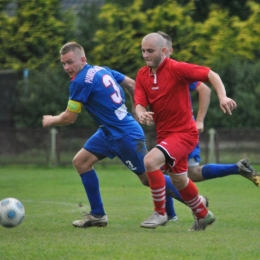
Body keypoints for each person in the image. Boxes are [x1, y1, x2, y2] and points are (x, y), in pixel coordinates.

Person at [42, 41, 203, 228]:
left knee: (148, 178)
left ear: (83, 59)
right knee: (81, 162)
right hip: (109, 131)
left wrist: (51, 120)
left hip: (124, 135)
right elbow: (131, 83)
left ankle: (197, 202)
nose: (67, 67)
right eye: (64, 63)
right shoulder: (101, 69)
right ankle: (98, 215)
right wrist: (136, 109)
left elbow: (69, 118)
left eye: (70, 62)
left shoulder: (79, 82)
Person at [134, 32, 237, 231]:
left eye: (150, 51)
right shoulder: (142, 75)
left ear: (164, 51)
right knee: (180, 180)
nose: (146, 55)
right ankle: (203, 215)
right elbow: (139, 102)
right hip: (165, 135)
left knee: (150, 161)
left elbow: (210, 74)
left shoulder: (177, 68)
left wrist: (223, 97)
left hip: (184, 134)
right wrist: (141, 113)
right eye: (143, 51)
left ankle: (160, 212)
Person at [157, 31, 260, 187]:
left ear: (168, 50)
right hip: (168, 128)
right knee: (193, 173)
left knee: (160, 169)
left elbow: (205, 89)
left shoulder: (177, 70)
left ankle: (171, 211)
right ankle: (238, 168)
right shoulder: (151, 74)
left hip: (182, 129)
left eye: (161, 48)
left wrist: (199, 121)